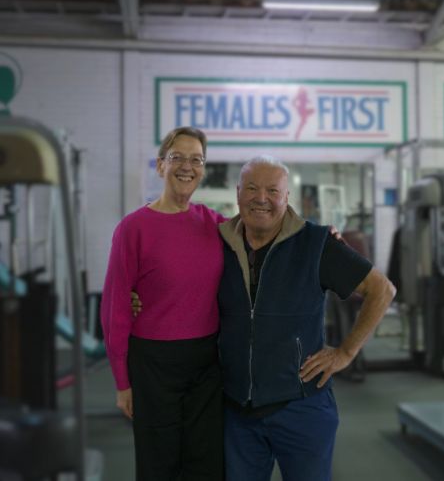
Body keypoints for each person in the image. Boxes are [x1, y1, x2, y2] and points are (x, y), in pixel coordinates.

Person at [218, 155, 396, 481]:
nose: (261, 198)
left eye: (273, 190)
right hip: (237, 410)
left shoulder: (317, 244)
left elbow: (381, 290)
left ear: (287, 197)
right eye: (253, 188)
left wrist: (346, 352)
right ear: (238, 192)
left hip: (301, 407)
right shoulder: (219, 243)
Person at [100, 126, 224, 480]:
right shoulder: (133, 228)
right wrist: (122, 381)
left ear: (203, 168)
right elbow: (115, 309)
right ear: (160, 166)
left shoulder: (215, 223)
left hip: (206, 362)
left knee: (206, 462)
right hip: (153, 362)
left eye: (196, 159)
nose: (188, 166)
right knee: (159, 463)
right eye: (178, 158)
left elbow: (264, 234)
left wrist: (319, 236)